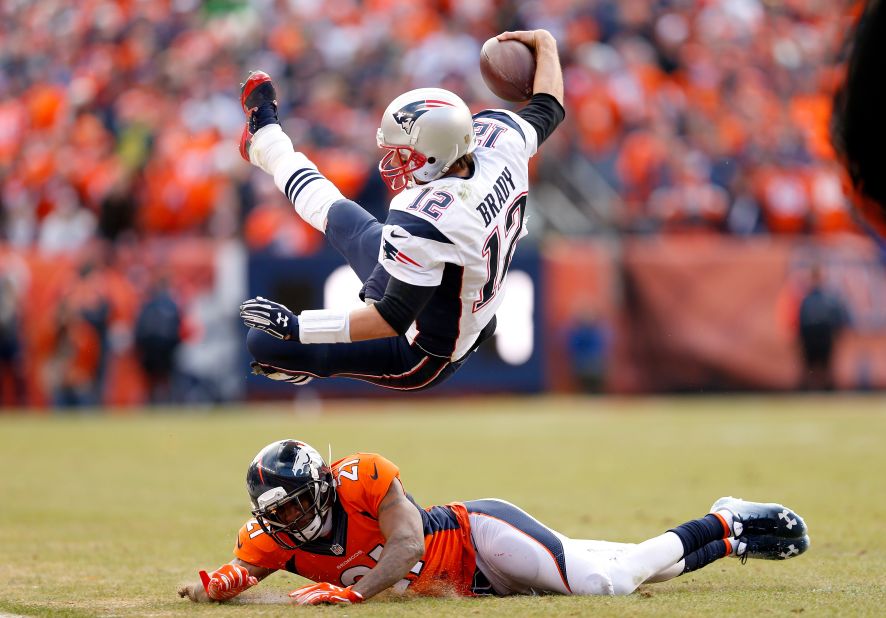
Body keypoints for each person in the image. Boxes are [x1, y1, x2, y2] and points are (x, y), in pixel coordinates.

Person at [237, 30, 565, 390]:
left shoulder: (426, 217)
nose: (395, 161)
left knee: (264, 342)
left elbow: (391, 318)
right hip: (463, 297)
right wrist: (546, 43)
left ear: (436, 153)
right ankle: (267, 142)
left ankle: (303, 367)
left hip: (424, 351)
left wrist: (298, 327)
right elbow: (548, 105)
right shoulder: (500, 140)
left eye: (405, 152)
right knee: (341, 216)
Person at [178, 439, 810, 605]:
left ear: (319, 486)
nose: (290, 520)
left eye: (295, 503)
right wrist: (212, 586)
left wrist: (350, 593)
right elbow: (243, 570)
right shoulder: (270, 538)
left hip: (477, 537)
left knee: (605, 584)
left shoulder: (362, 476)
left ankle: (717, 521)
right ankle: (728, 533)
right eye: (277, 512)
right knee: (627, 571)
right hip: (473, 586)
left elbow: (405, 546)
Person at [797, 265, 850, 390]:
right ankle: (809, 390)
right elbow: (800, 318)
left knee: (826, 366)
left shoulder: (830, 298)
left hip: (825, 335)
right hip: (810, 336)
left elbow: (838, 317)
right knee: (810, 366)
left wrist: (838, 332)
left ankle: (827, 391)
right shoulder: (805, 298)